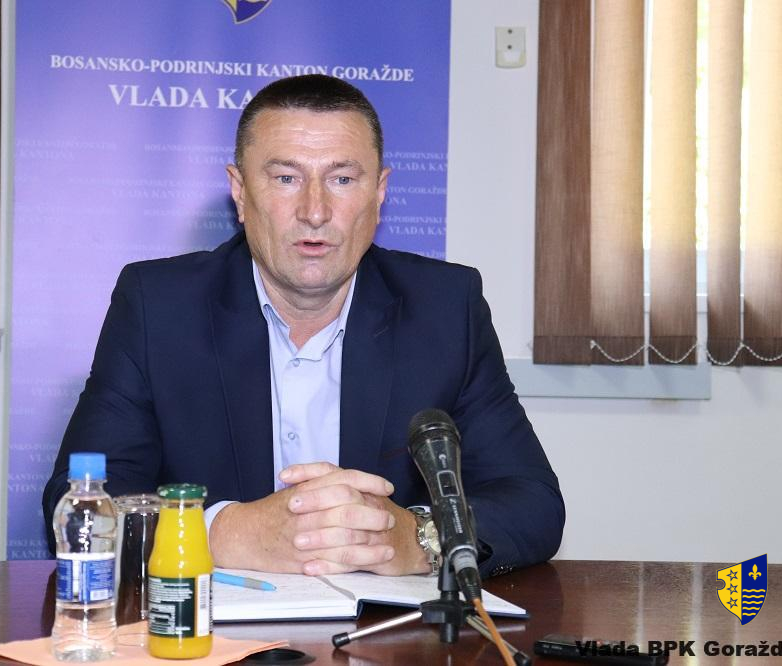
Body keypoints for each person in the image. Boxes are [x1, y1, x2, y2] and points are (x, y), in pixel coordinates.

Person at [43, 74, 564, 578]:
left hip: (386, 628)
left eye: (342, 179)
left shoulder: (445, 308)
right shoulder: (158, 306)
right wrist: (227, 532)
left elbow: (532, 502)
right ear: (239, 192)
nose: (315, 211)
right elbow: (82, 505)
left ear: (380, 192)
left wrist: (417, 538)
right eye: (286, 178)